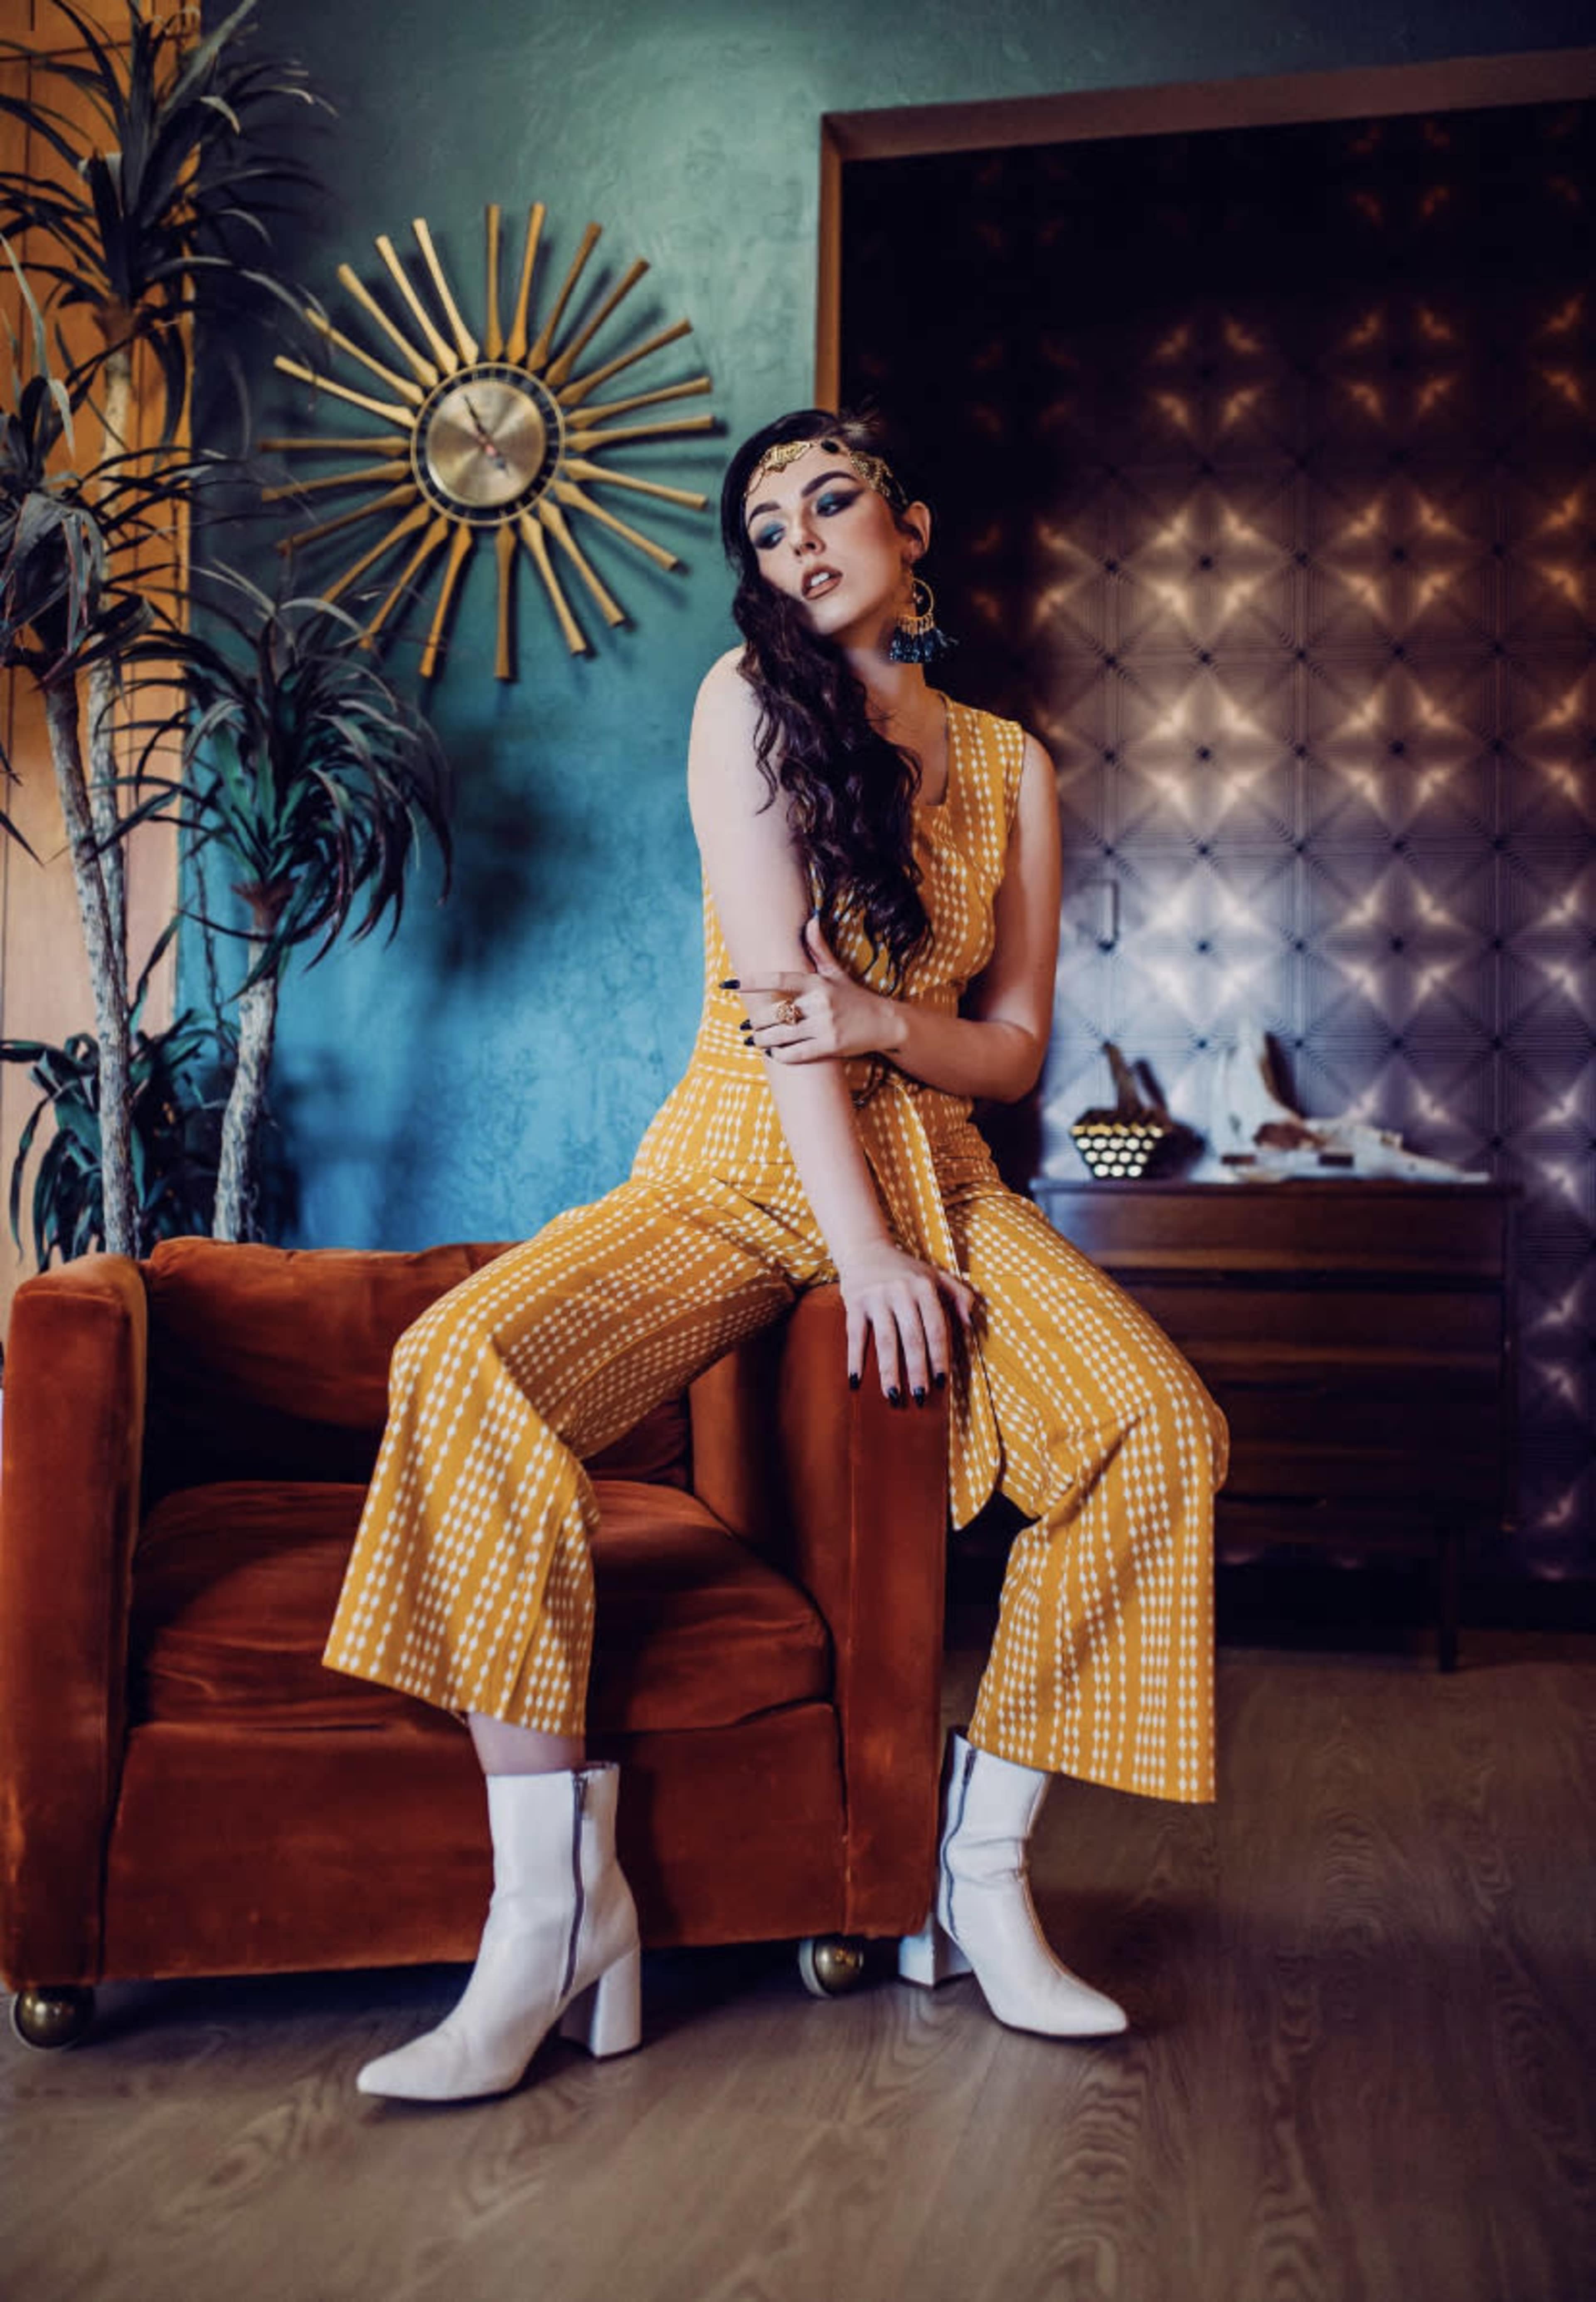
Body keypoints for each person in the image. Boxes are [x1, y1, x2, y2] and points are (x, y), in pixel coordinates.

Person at [323, 407, 1229, 2104]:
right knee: (458, 1359)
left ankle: (982, 1875)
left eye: (832, 501)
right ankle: (552, 1911)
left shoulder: (1015, 764)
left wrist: (901, 1024)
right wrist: (861, 1250)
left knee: (1159, 1425)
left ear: (914, 524)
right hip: (742, 1159)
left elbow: (1017, 1047)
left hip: (942, 1166)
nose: (799, 539)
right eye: (764, 526)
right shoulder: (745, 705)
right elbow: (777, 1020)